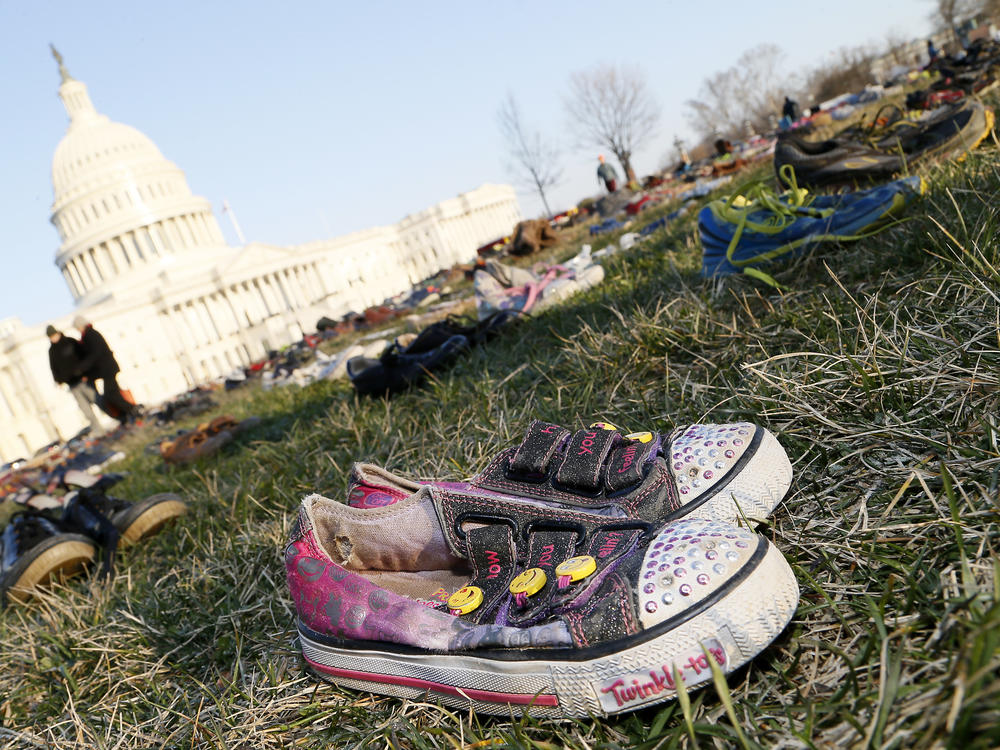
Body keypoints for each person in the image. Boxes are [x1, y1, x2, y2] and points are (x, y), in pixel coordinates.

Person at [72, 315, 141, 424]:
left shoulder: (90, 335)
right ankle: (127, 414)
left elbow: (95, 355)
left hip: (107, 369)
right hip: (106, 369)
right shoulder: (90, 334)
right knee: (112, 394)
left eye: (77, 327)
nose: (77, 330)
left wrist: (82, 368)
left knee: (111, 394)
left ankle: (133, 409)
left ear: (81, 325)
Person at [46, 324, 102, 432]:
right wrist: (58, 380)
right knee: (85, 410)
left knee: (98, 400)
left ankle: (119, 416)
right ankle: (98, 431)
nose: (53, 339)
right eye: (51, 337)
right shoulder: (52, 351)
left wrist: (86, 373)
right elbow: (54, 367)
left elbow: (84, 356)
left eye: (54, 336)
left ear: (58, 333)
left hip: (83, 379)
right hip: (72, 384)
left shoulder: (70, 342)